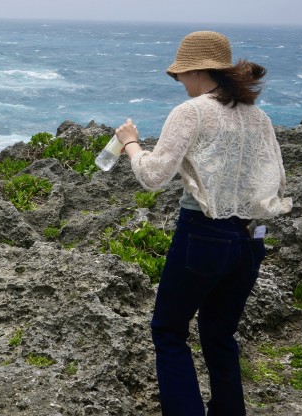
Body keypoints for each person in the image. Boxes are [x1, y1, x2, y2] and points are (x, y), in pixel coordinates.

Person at [114, 30, 292, 415]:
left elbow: (153, 176)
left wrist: (130, 143)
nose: (179, 82)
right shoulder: (257, 116)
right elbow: (275, 179)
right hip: (249, 238)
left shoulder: (192, 111)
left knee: (168, 331)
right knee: (219, 333)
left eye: (180, 74)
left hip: (203, 234)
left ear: (194, 70)